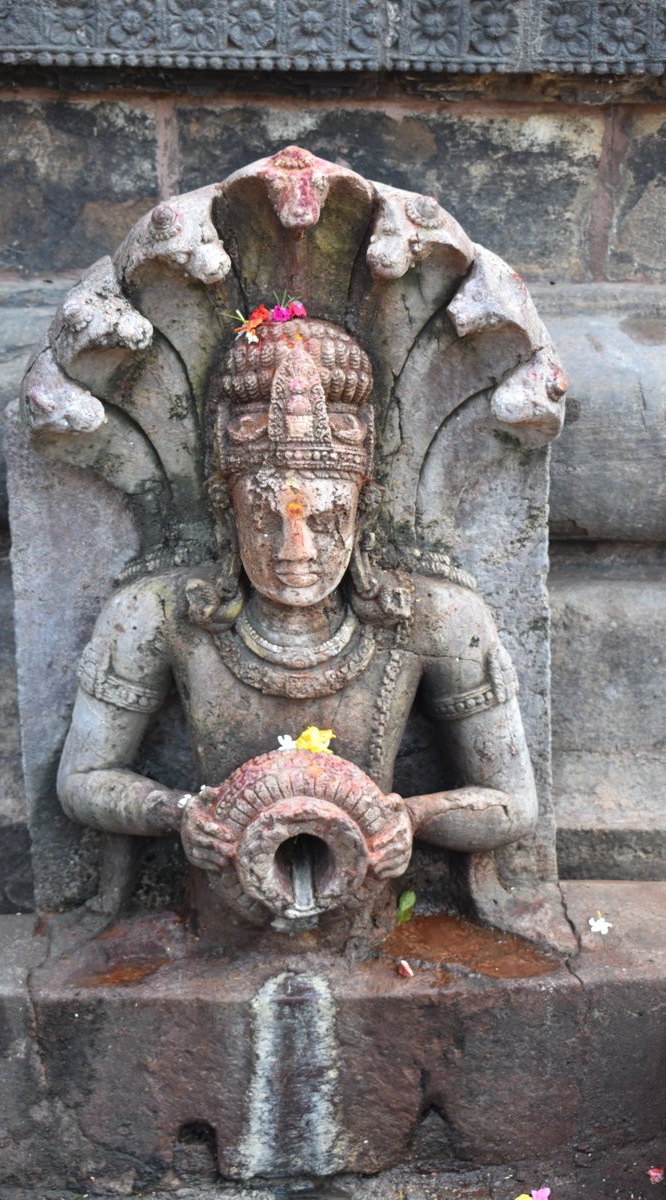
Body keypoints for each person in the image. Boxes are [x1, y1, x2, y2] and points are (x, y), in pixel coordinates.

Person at [57, 317, 536, 908]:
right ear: (227, 511)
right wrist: (178, 813)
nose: (296, 551)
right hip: (219, 909)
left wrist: (413, 818)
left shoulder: (438, 619)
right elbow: (82, 780)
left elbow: (512, 802)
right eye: (266, 520)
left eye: (326, 521)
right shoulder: (154, 615)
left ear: (363, 512)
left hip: (366, 901)